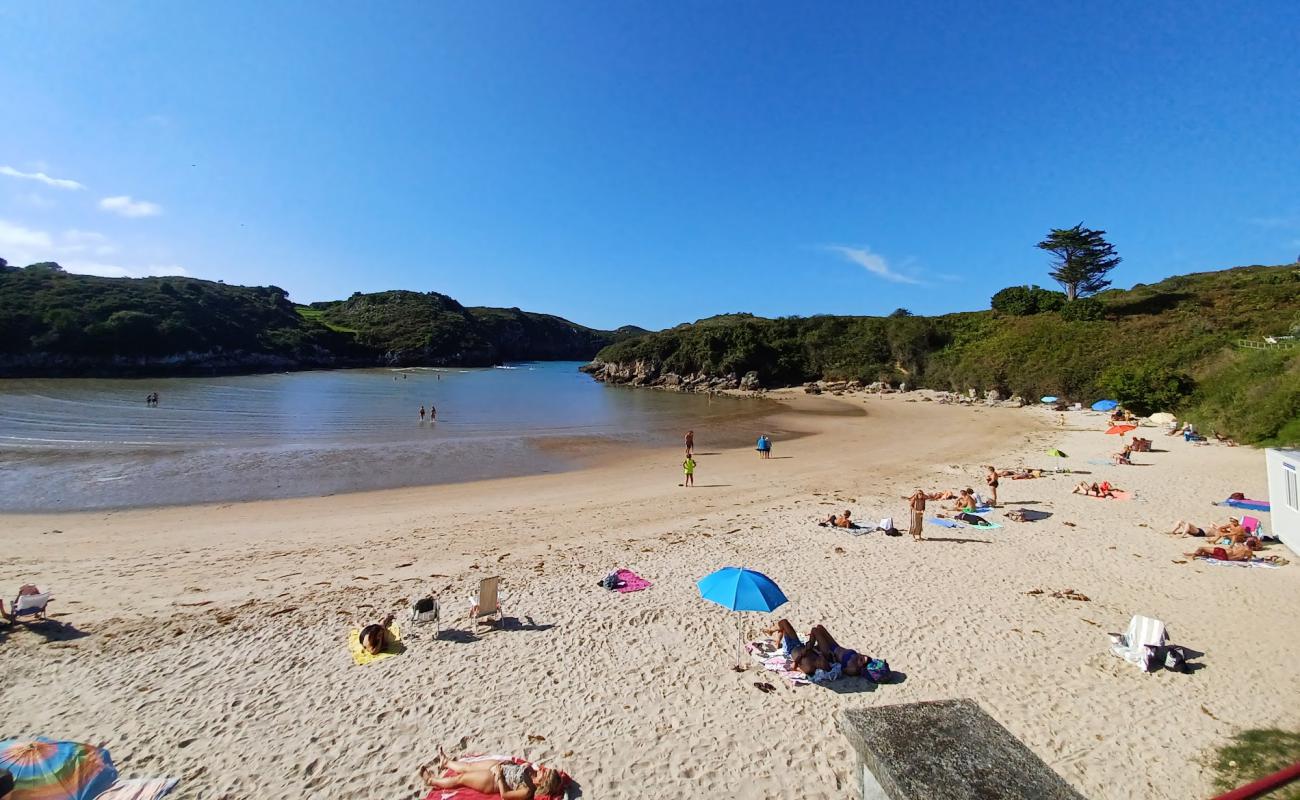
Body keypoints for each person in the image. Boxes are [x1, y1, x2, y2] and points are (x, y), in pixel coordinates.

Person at [420, 750, 561, 799]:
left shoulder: (528, 791)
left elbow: (505, 795)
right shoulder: (533, 772)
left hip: (493, 780)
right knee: (469, 767)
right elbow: (519, 768)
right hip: (501, 768)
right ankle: (446, 762)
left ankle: (431, 781)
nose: (543, 769)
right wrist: (510, 765)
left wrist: (499, 776)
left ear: (544, 782)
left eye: (545, 773)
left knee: (460, 778)